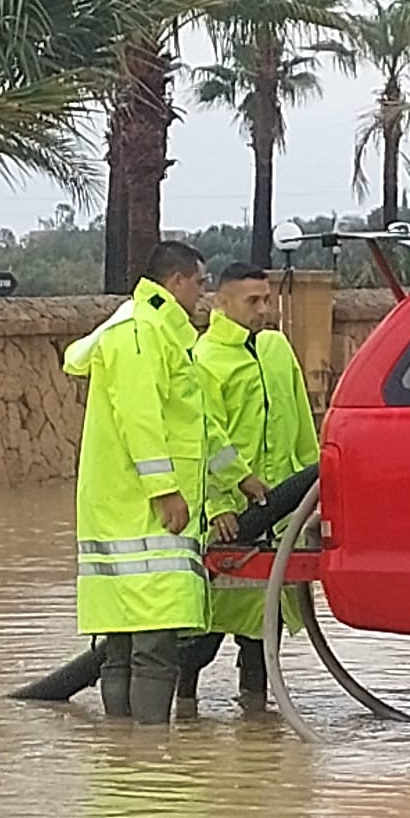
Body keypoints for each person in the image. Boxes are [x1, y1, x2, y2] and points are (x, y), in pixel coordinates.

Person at [60, 241, 265, 725]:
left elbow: (194, 423)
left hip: (130, 513)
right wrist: (165, 491)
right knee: (149, 645)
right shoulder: (140, 333)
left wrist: (238, 476)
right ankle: (150, 754)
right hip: (140, 515)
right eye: (199, 283)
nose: (203, 294)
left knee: (127, 643)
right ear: (176, 282)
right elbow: (141, 418)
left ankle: (125, 755)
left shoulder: (159, 334)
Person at [179, 262, 321, 714]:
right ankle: (181, 711)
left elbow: (302, 428)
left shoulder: (277, 349)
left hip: (280, 520)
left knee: (264, 631)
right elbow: (203, 440)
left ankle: (256, 719)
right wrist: (219, 503)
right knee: (203, 633)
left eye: (267, 300)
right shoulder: (204, 360)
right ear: (222, 303)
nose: (263, 309)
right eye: (252, 301)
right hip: (232, 523)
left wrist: (315, 493)